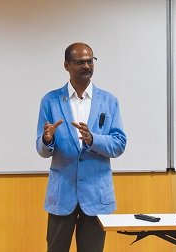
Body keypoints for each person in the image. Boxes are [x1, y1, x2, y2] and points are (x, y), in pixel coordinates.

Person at [36, 42, 127, 252]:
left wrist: (93, 139)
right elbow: (41, 149)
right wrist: (47, 140)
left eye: (90, 61)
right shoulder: (50, 101)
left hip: (96, 194)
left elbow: (119, 144)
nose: (86, 66)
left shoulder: (109, 101)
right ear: (67, 65)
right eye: (79, 62)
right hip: (62, 194)